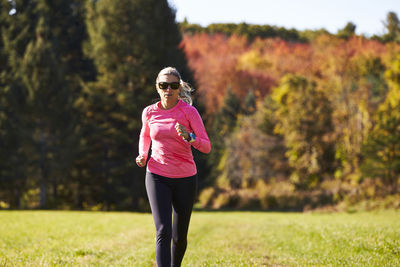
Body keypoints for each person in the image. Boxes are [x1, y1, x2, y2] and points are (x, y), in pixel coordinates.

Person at [136, 67, 211, 267]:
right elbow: (144, 136)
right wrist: (143, 154)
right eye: (163, 85)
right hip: (156, 174)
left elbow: (206, 146)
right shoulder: (149, 112)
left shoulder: (189, 112)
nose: (168, 89)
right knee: (163, 231)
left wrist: (190, 137)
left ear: (179, 88)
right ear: (157, 88)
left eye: (173, 85)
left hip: (185, 177)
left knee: (179, 237)